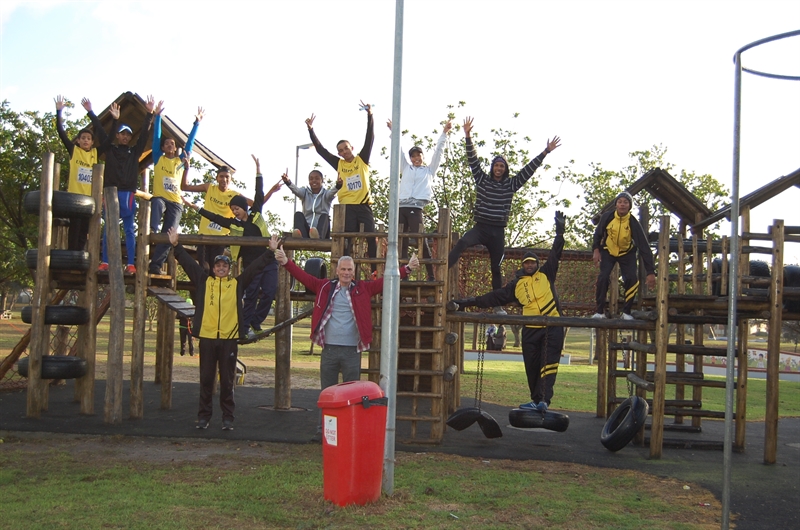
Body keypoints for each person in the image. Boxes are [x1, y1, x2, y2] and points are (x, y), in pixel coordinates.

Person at [451, 211, 567, 412]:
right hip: (530, 329)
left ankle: (544, 401)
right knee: (531, 366)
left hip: (552, 326)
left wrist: (559, 233)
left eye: (532, 262)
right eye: (526, 263)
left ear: (537, 264)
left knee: (548, 365)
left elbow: (555, 254)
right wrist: (467, 302)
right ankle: (535, 400)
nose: (529, 265)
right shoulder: (516, 285)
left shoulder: (546, 274)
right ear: (523, 265)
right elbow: (494, 297)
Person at [168, 227, 278, 431]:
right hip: (208, 338)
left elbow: (254, 269)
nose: (220, 268)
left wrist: (270, 252)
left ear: (229, 269)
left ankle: (228, 418)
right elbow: (189, 264)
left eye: (224, 266)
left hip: (228, 339)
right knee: (206, 379)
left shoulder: (236, 284)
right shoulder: (204, 282)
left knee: (227, 381)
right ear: (213, 269)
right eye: (217, 265)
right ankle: (204, 417)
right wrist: (176, 245)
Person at [447, 116, 561, 313]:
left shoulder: (511, 185)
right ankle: (441, 271)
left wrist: (545, 152)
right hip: (481, 227)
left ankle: (497, 305)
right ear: (492, 167)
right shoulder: (482, 180)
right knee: (462, 243)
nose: (498, 168)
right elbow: (472, 160)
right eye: (496, 165)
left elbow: (528, 170)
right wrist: (467, 136)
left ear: (505, 169)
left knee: (496, 267)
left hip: (497, 231)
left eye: (502, 166)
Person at [273, 249, 419, 391]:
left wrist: (408, 268)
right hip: (329, 348)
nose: (346, 273)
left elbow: (386, 281)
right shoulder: (324, 286)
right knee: (328, 391)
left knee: (351, 392)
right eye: (343, 269)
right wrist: (285, 261)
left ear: (353, 272)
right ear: (337, 271)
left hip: (352, 350)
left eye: (349, 270)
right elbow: (303, 277)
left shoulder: (363, 288)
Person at [188, 155, 282, 338]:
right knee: (251, 294)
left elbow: (259, 193)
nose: (234, 212)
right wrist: (196, 208)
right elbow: (216, 218)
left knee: (270, 292)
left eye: (236, 208)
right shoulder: (234, 224)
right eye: (232, 210)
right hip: (251, 264)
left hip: (268, 259)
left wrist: (258, 170)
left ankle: (256, 321)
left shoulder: (255, 214)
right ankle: (244, 328)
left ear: (243, 208)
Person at [305, 101, 377, 274]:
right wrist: (311, 130)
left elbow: (370, 138)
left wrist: (370, 115)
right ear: (339, 153)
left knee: (371, 237)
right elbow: (321, 150)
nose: (345, 152)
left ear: (351, 147)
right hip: (347, 208)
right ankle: (344, 271)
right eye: (341, 150)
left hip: (363, 205)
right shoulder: (339, 164)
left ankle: (374, 270)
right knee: (346, 241)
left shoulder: (362, 160)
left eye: (346, 148)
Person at [87, 96, 156, 274]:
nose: (125, 137)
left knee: (129, 230)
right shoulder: (110, 149)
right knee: (108, 228)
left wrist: (149, 114)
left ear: (130, 137)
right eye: (122, 134)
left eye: (128, 135)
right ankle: (105, 262)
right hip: (110, 193)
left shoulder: (134, 152)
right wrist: (91, 112)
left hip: (127, 194)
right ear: (117, 135)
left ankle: (131, 264)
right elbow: (101, 132)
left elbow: (144, 136)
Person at [387, 118, 452, 281]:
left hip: (415, 207)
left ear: (422, 156)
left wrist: (444, 133)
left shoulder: (428, 171)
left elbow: (438, 153)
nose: (416, 158)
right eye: (413, 156)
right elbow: (398, 151)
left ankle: (430, 274)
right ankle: (403, 275)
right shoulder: (406, 168)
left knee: (420, 240)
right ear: (410, 158)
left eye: (418, 155)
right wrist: (393, 132)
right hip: (401, 206)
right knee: (401, 241)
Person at [148, 102, 204, 275]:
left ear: (176, 148)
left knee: (170, 233)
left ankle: (156, 264)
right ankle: (152, 228)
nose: (170, 145)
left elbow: (190, 143)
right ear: (163, 148)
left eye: (172, 144)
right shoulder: (159, 158)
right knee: (157, 202)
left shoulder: (181, 161)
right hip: (161, 198)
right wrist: (157, 117)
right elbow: (156, 137)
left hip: (176, 202)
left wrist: (197, 123)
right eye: (167, 144)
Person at [591, 191, 656, 320]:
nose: (622, 205)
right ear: (616, 205)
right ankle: (599, 311)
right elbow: (597, 234)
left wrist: (650, 272)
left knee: (632, 278)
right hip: (608, 251)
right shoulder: (607, 217)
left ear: (629, 206)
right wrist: (596, 250)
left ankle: (626, 312)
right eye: (620, 202)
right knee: (603, 277)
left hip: (627, 253)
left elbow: (644, 247)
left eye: (626, 202)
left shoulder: (633, 222)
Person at [181, 164, 250, 272]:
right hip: (204, 237)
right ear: (216, 178)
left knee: (216, 271)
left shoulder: (234, 195)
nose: (224, 179)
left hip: (220, 239)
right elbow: (184, 187)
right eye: (221, 176)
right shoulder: (209, 188)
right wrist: (186, 168)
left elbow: (255, 203)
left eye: (227, 177)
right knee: (204, 270)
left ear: (231, 180)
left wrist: (271, 191)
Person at [54, 95, 98, 251]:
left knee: (84, 230)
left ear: (92, 142)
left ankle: (79, 255)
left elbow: (108, 139)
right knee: (75, 227)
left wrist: (91, 112)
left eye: (88, 138)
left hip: (89, 200)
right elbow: (61, 132)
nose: (86, 140)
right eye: (83, 138)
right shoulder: (74, 151)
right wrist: (59, 111)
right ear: (78, 140)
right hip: (74, 198)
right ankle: (72, 254)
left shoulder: (95, 153)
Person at [283, 169, 340, 239]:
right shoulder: (305, 193)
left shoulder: (325, 194)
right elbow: (296, 190)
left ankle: (317, 237)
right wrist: (288, 182)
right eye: (311, 179)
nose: (314, 181)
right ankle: (300, 236)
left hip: (321, 232)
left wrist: (338, 185)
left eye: (317, 178)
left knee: (325, 216)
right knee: (298, 214)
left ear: (322, 180)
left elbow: (331, 192)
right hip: (307, 231)